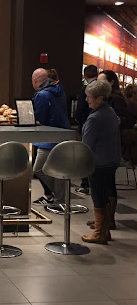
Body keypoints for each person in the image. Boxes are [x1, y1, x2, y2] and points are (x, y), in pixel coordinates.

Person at [81, 79, 121, 244]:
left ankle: (99, 233)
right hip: (112, 159)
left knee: (98, 196)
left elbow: (86, 145)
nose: (86, 100)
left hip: (98, 162)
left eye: (89, 97)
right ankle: (105, 228)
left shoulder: (95, 118)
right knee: (105, 194)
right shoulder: (110, 112)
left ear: (100, 98)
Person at [31, 67, 71, 206]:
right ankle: (59, 199)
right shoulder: (59, 91)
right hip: (63, 135)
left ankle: (58, 197)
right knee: (58, 170)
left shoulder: (42, 95)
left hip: (48, 138)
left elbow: (39, 118)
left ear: (35, 81)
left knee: (39, 168)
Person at [74, 64, 98, 194]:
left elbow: (80, 110)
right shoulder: (103, 89)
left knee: (85, 154)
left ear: (85, 75)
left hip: (86, 125)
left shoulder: (86, 90)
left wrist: (78, 120)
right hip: (99, 130)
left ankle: (85, 184)